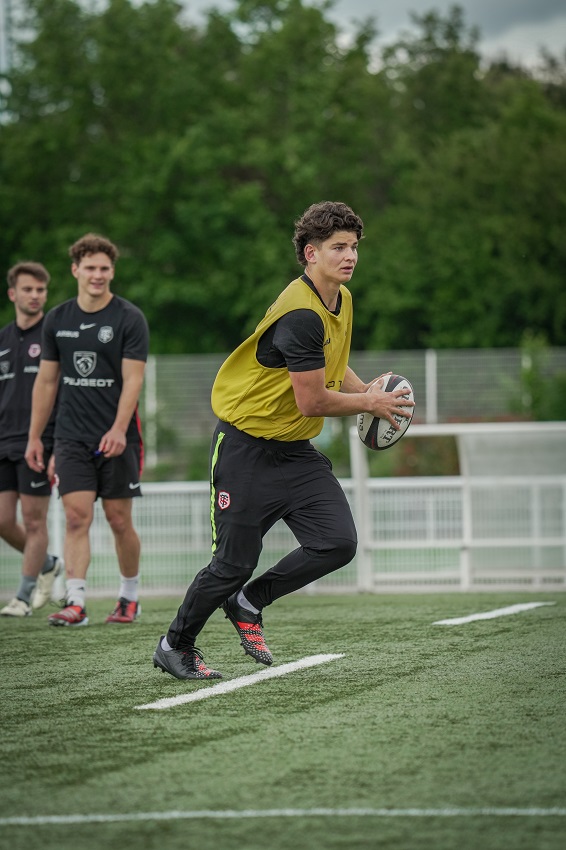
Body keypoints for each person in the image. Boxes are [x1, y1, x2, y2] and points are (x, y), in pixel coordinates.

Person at [153, 200, 414, 680]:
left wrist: (367, 390)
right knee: (232, 563)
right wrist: (371, 405)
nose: (350, 255)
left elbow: (328, 364)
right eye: (338, 247)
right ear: (310, 253)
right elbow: (312, 401)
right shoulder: (300, 313)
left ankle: (249, 600)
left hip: (293, 453)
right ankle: (175, 644)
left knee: (337, 542)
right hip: (245, 449)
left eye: (354, 246)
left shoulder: (342, 299)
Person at [25, 234, 149, 626]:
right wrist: (35, 437)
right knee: (77, 517)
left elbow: (133, 381)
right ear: (75, 270)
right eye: (90, 267)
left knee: (118, 519)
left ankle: (129, 596)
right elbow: (45, 383)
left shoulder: (129, 318)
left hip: (118, 438)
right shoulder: (57, 320)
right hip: (71, 436)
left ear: (112, 271)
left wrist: (116, 428)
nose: (98, 275)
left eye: (104, 268)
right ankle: (76, 602)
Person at [0, 262, 64, 617]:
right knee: (3, 521)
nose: (35, 295)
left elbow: (60, 393)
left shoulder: (52, 337)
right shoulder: (3, 340)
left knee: (35, 520)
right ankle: (48, 563)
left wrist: (52, 443)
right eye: (28, 289)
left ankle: (22, 598)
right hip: (4, 442)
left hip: (39, 443)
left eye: (40, 290)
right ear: (13, 293)